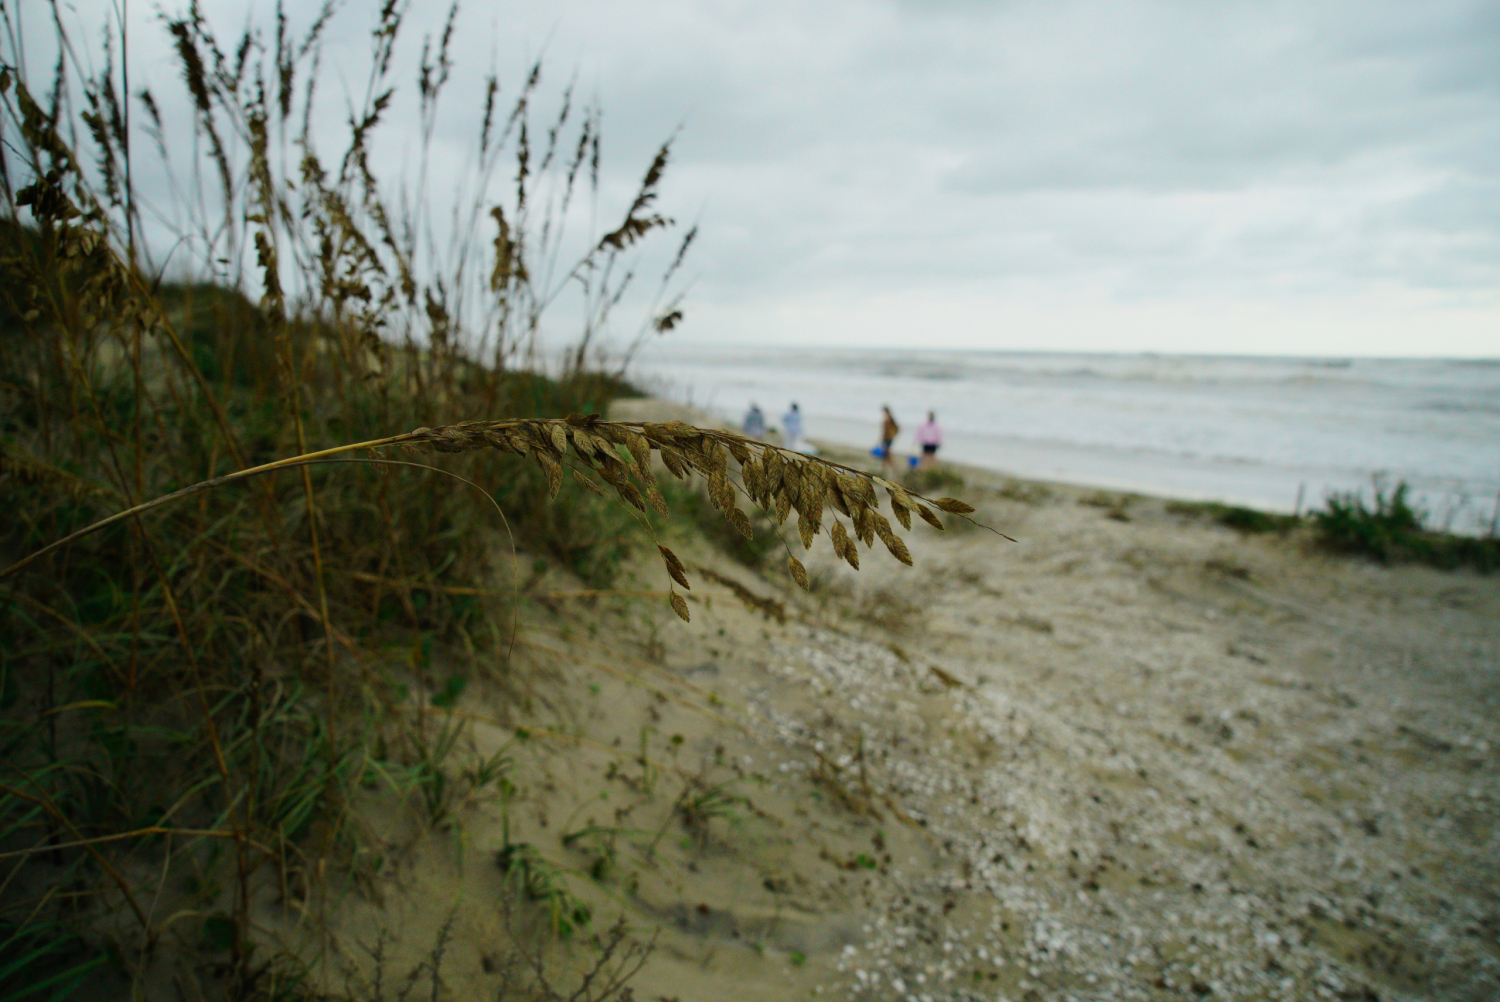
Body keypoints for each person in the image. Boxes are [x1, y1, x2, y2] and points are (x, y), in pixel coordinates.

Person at [878, 405, 900, 475]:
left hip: (888, 439)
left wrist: (892, 435)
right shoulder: (888, 418)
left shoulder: (889, 419)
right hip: (887, 438)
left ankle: (894, 469)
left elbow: (896, 429)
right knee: (885, 455)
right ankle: (886, 469)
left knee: (887, 455)